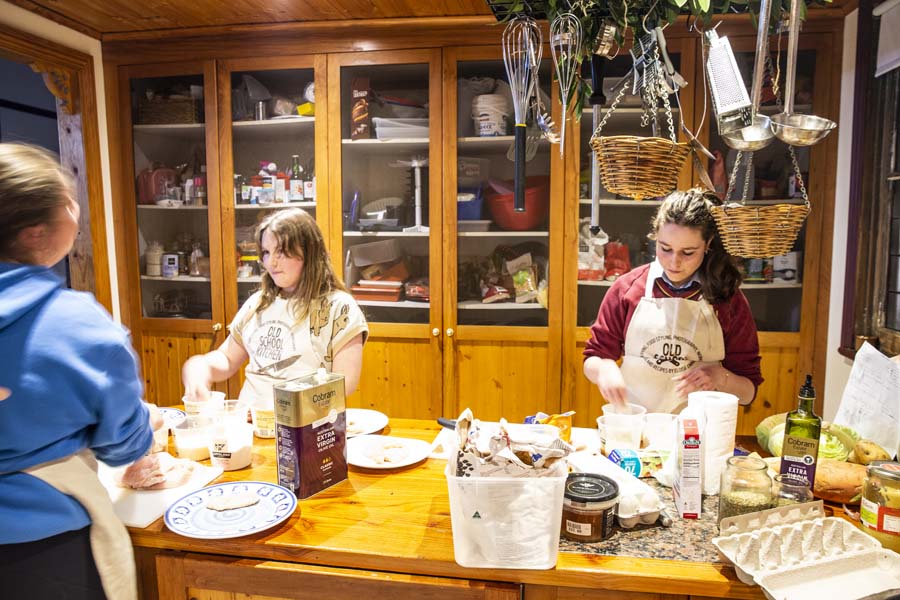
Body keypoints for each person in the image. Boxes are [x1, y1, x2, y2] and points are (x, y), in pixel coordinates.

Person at [0, 143, 161, 600]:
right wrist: (144, 423)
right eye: (70, 203)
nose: (77, 212)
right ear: (36, 233)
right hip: (43, 548)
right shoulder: (77, 325)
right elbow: (122, 445)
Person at [583, 188, 763, 413]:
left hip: (700, 429)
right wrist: (604, 369)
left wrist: (720, 377)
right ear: (655, 237)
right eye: (665, 248)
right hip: (634, 424)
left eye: (688, 252)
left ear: (708, 244)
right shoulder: (627, 288)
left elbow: (748, 392)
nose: (674, 262)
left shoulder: (728, 298)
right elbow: (593, 358)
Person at [182, 208, 368, 406]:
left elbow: (344, 384)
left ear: (310, 253)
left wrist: (285, 408)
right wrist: (199, 367)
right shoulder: (259, 302)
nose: (271, 262)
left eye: (281, 251)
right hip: (249, 419)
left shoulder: (339, 308)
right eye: (266, 252)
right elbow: (226, 358)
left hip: (305, 421)